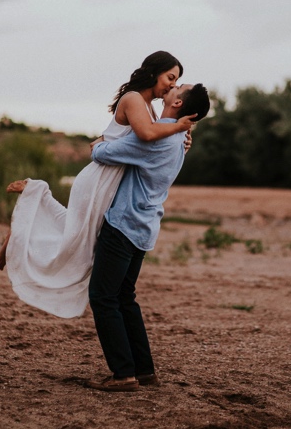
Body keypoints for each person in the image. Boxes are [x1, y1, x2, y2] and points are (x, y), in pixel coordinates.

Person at [0, 51, 196, 319]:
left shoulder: (150, 108)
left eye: (176, 81)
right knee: (75, 239)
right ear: (153, 71)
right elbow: (147, 134)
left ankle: (27, 217)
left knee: (78, 237)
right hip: (100, 178)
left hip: (112, 182)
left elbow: (155, 143)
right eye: (170, 77)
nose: (172, 85)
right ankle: (23, 225)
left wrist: (182, 136)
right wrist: (177, 127)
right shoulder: (134, 98)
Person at [85, 82, 211, 392]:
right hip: (144, 226)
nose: (173, 85)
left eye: (178, 85)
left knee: (103, 297)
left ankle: (123, 373)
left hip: (124, 224)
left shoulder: (157, 138)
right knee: (125, 297)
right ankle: (144, 370)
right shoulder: (179, 136)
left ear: (178, 102)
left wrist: (100, 141)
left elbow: (101, 154)